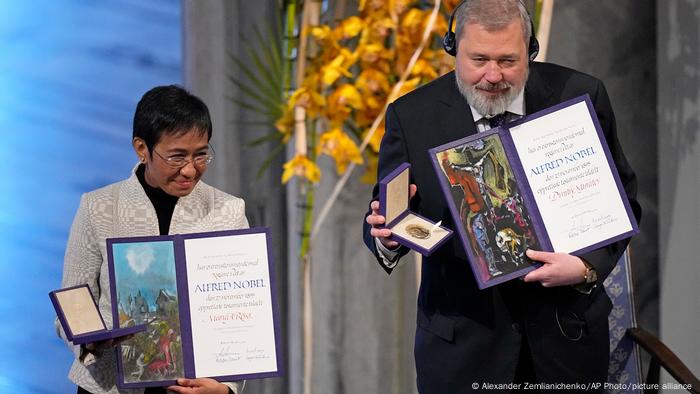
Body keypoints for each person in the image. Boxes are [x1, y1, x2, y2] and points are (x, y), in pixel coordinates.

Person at [363, 0, 642, 392]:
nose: (492, 75)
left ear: (530, 51)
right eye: (478, 59)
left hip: (566, 343)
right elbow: (386, 213)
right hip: (460, 351)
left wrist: (585, 268)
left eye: (508, 61)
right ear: (452, 48)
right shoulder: (411, 116)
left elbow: (623, 201)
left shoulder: (581, 95)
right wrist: (387, 235)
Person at [57, 85, 247, 394]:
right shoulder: (99, 207)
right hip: (108, 384)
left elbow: (242, 312)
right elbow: (73, 297)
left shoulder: (228, 211)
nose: (190, 170)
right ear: (142, 149)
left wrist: (226, 388)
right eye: (176, 157)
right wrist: (88, 339)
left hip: (196, 386)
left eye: (201, 155)